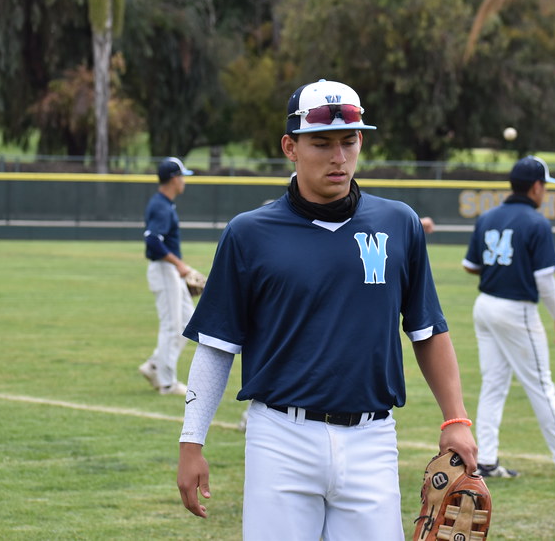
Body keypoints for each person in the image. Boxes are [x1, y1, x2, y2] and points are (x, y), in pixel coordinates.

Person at [176, 79, 477, 539]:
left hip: (372, 439)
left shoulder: (400, 223)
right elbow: (218, 346)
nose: (338, 157)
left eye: (348, 141)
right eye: (321, 143)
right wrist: (191, 443)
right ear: (290, 147)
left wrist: (456, 419)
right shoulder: (248, 233)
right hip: (280, 437)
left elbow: (427, 330)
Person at [462, 156, 555, 478]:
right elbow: (544, 279)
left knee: (493, 385)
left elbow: (470, 266)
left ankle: (485, 462)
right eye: (545, 187)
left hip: (485, 306)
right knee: (540, 383)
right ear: (536, 187)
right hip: (516, 310)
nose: (545, 193)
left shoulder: (488, 217)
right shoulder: (537, 223)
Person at [139, 156, 197, 396]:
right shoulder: (161, 205)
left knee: (187, 322)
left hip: (169, 270)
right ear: (174, 179)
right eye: (182, 176)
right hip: (164, 270)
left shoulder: (164, 203)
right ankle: (167, 383)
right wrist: (180, 266)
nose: (184, 181)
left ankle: (154, 365)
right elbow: (152, 240)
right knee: (172, 326)